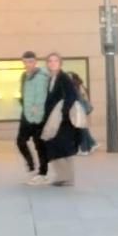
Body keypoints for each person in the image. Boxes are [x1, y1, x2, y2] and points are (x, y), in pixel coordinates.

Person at [43, 54, 82, 186]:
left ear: (60, 63)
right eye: (50, 61)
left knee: (61, 148)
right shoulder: (51, 78)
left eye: (55, 61)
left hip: (62, 120)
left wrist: (63, 112)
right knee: (57, 148)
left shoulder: (64, 78)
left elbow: (72, 95)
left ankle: (67, 178)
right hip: (54, 119)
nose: (52, 63)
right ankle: (63, 177)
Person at [17, 51, 51, 184]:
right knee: (20, 141)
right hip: (26, 114)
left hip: (38, 115)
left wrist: (36, 109)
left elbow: (41, 96)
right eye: (25, 62)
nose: (27, 64)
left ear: (35, 61)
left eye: (30, 62)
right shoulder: (24, 76)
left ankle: (43, 173)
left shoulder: (41, 76)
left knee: (39, 145)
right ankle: (31, 164)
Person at [71, 73, 97, 155]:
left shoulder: (75, 86)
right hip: (81, 109)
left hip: (78, 110)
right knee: (82, 129)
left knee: (81, 129)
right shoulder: (80, 86)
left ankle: (85, 148)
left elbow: (78, 99)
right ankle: (90, 145)